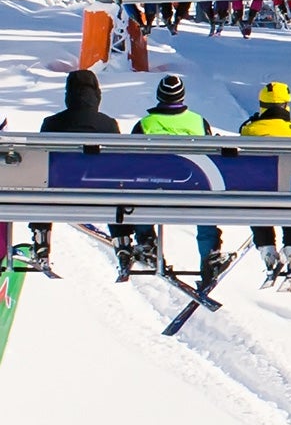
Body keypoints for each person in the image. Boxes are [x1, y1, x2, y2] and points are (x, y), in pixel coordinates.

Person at [132, 74, 224, 281]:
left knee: (136, 194)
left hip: (154, 191)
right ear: (182, 96)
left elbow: (132, 161)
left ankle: (146, 239)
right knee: (206, 207)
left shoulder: (145, 124)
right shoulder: (199, 122)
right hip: (194, 188)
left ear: (159, 95)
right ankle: (209, 254)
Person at [33, 69, 122, 267]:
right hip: (101, 192)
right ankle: (122, 241)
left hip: (58, 190)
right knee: (118, 186)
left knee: (40, 183)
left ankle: (41, 237)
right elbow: (118, 160)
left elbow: (40, 158)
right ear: (97, 95)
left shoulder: (52, 123)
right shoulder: (108, 124)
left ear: (68, 94)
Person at [239, 81, 291, 282]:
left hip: (260, 191)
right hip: (290, 192)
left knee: (256, 199)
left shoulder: (250, 130)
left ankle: (266, 246)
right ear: (286, 104)